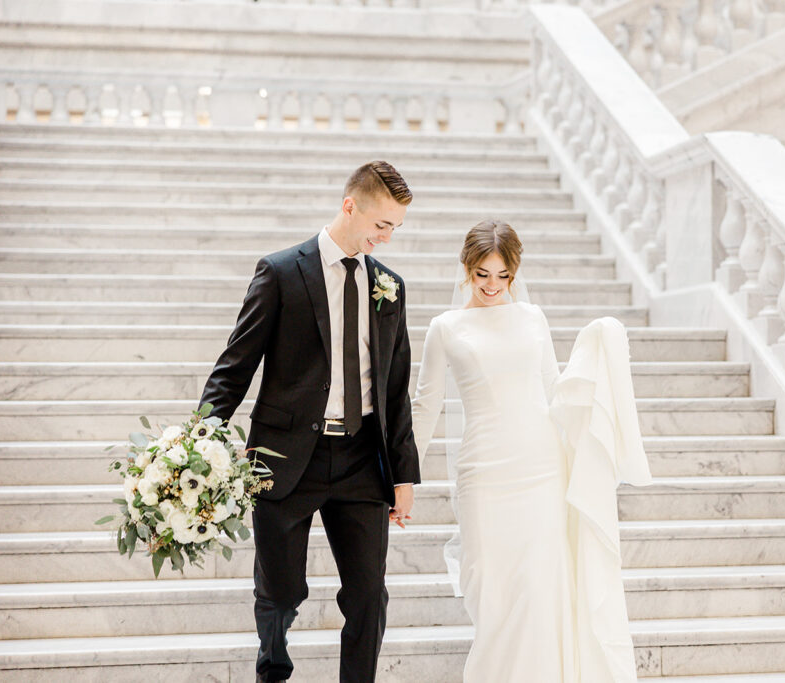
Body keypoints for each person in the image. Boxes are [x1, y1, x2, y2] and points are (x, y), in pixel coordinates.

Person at [198, 160, 420, 683]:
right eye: (381, 225)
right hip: (283, 458)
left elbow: (394, 386)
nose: (386, 238)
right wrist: (196, 440)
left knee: (369, 595)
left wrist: (404, 473)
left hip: (363, 461)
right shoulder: (280, 272)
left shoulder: (389, 286)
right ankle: (272, 675)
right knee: (279, 594)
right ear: (350, 206)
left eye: (395, 228)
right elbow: (235, 366)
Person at [411, 219, 649, 682]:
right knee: (493, 594)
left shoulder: (532, 317)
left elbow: (554, 388)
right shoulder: (445, 328)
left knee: (541, 591)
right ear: (466, 268)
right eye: (482, 274)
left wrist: (596, 354)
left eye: (503, 276)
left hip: (541, 469)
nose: (493, 286)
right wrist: (402, 476)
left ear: (515, 274)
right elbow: (426, 406)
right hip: (482, 472)